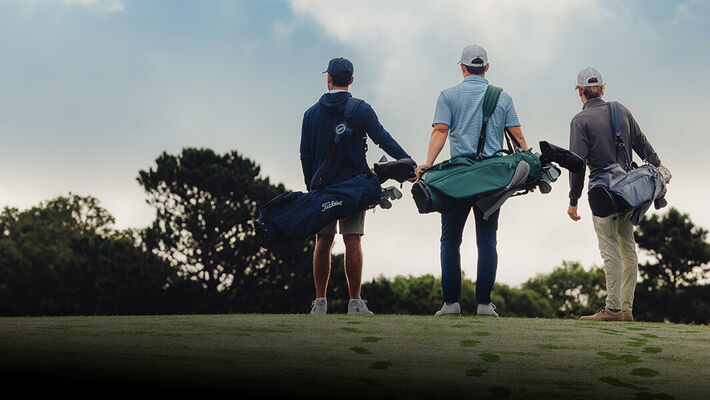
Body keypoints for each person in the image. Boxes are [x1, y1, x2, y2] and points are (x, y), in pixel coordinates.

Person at [414, 45, 528, 317]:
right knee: (487, 240)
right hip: (492, 178)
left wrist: (428, 162)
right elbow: (518, 138)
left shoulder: (448, 96)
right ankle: (484, 304)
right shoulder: (503, 98)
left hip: (459, 178)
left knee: (450, 240)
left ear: (462, 67)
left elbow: (441, 130)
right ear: (486, 67)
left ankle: (451, 303)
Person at [301, 57, 411, 315]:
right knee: (352, 240)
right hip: (353, 187)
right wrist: (408, 162)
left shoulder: (310, 114)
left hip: (321, 189)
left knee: (323, 241)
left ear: (328, 78)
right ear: (351, 80)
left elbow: (305, 155)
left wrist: (311, 186)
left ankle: (320, 303)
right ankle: (355, 303)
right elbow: (383, 139)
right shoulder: (361, 109)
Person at [567, 67, 668, 322]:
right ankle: (626, 309)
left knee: (610, 249)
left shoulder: (580, 121)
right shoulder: (620, 110)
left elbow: (577, 164)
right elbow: (641, 142)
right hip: (627, 191)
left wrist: (573, 200)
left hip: (602, 193)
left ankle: (611, 309)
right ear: (603, 88)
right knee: (628, 247)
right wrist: (659, 166)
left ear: (580, 92)